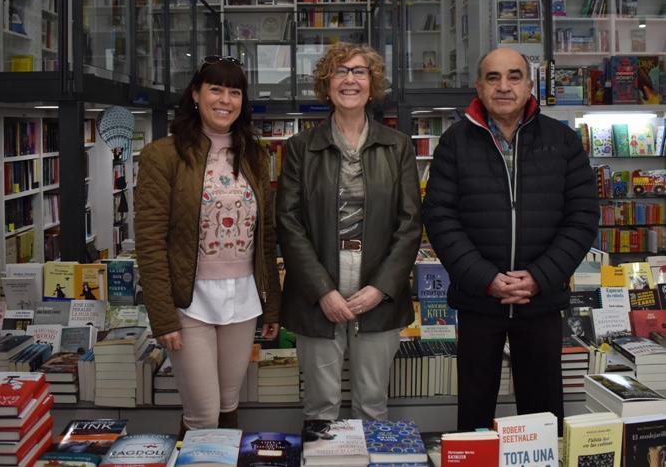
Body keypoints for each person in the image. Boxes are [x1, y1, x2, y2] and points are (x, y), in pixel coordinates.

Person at [422, 47, 598, 432]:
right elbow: (440, 217)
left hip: (541, 301)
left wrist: (538, 276)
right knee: (474, 410)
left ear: (530, 85)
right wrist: (487, 279)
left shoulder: (563, 141)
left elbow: (582, 217)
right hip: (479, 301)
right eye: (493, 77)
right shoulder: (454, 142)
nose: (504, 86)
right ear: (479, 87)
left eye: (514, 76)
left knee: (543, 412)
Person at [135, 56, 281, 433]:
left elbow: (265, 237)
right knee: (202, 412)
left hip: (244, 300)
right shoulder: (162, 155)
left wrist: (273, 306)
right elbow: (149, 241)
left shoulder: (255, 155)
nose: (225, 99)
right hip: (189, 301)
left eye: (235, 91)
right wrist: (163, 316)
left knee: (229, 404)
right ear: (196, 94)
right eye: (216, 88)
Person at [277, 43, 421, 421]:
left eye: (359, 72)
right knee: (320, 405)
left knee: (372, 404)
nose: (350, 80)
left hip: (379, 285)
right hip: (316, 287)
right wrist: (322, 290)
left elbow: (410, 224)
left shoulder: (398, 147)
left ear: (372, 86)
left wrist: (381, 288)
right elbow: (288, 223)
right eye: (340, 72)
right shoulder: (299, 148)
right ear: (326, 86)